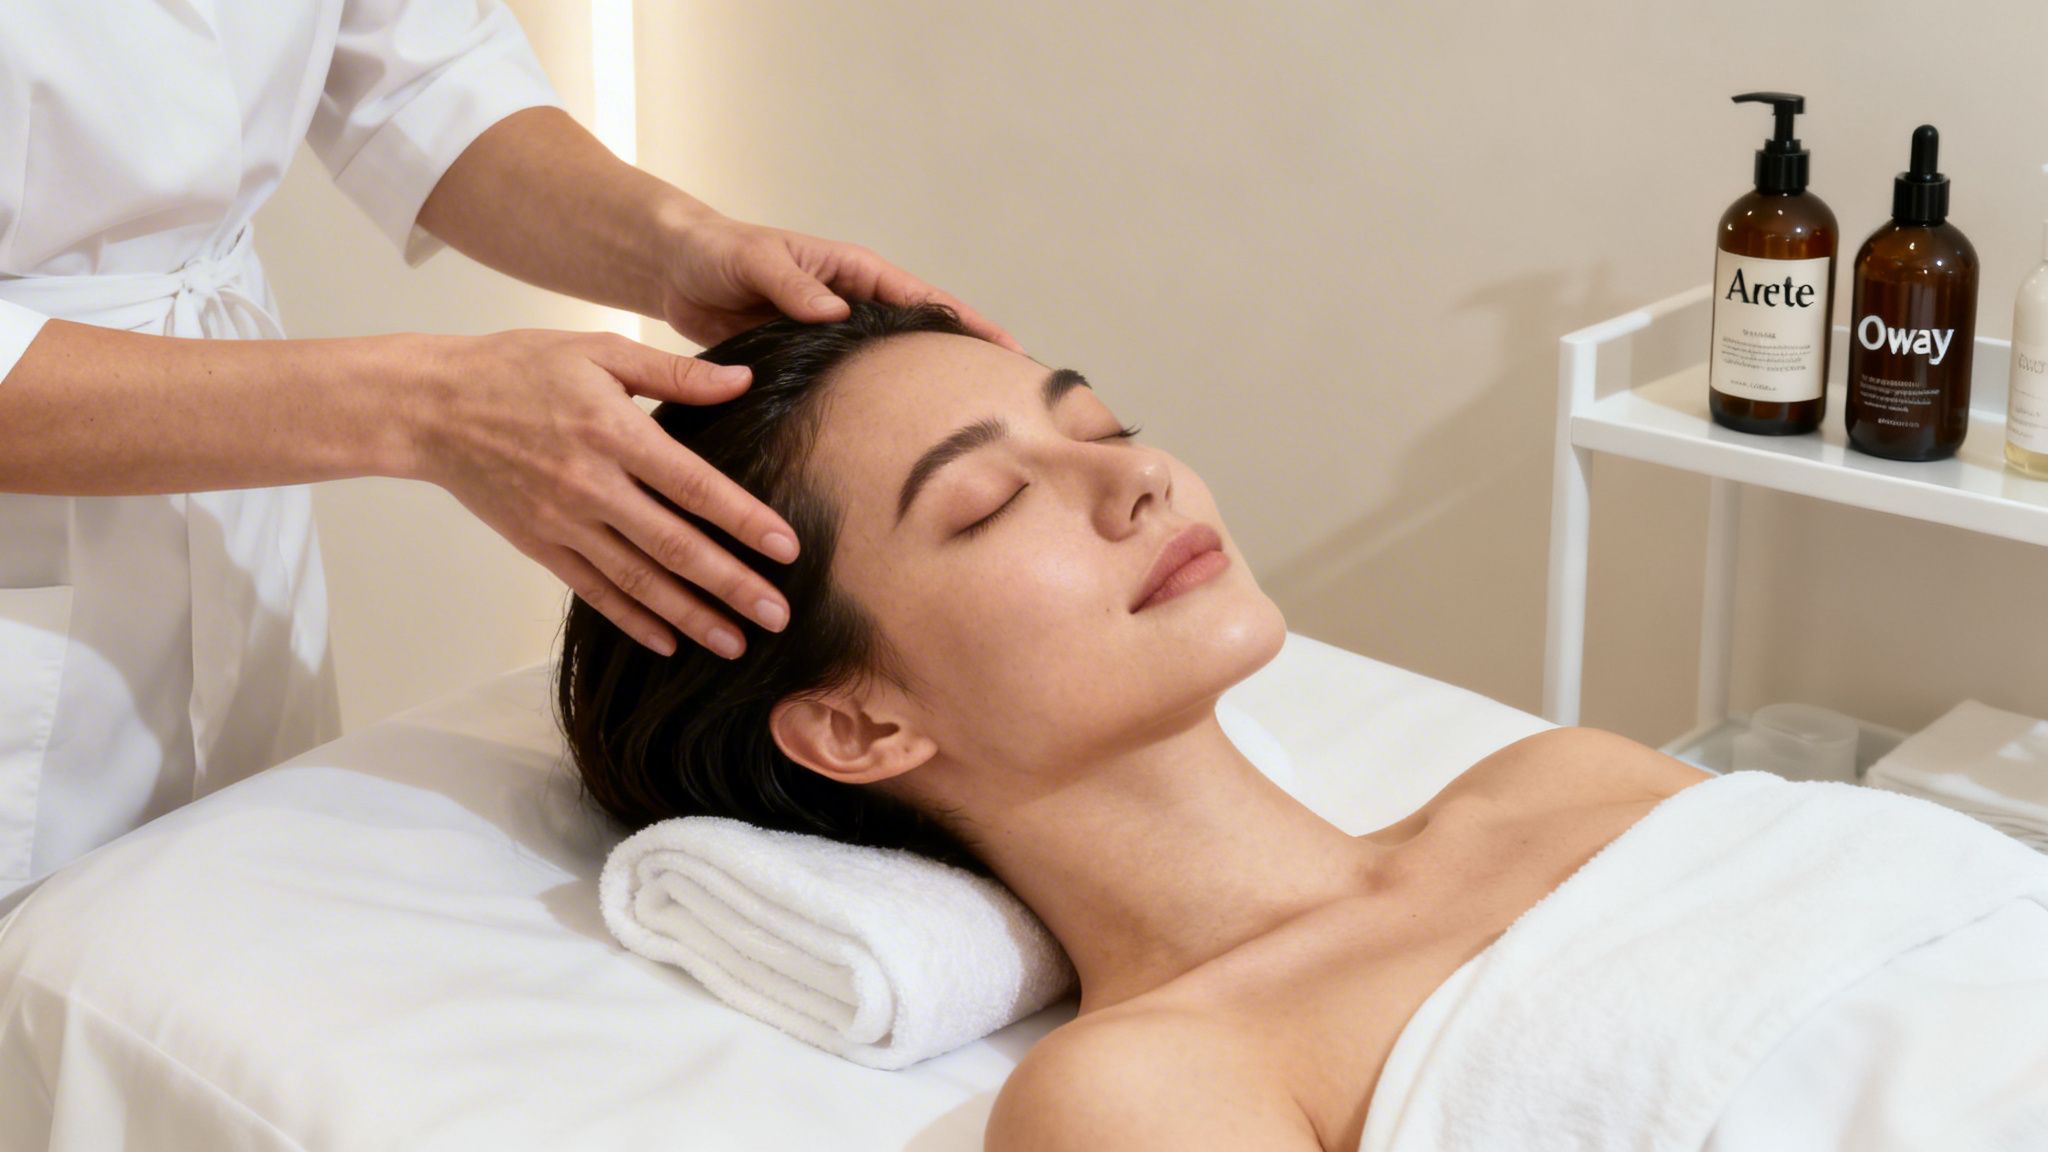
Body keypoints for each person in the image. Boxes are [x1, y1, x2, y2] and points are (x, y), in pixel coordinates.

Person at [557, 303, 2048, 1150]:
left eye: (1099, 427)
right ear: (858, 727)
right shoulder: (1143, 1093)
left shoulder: (1562, 779)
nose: (1138, 484)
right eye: (991, 500)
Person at [0, 2, 1010, 911]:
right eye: (982, 504)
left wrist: (676, 243)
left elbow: (423, 76)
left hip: (221, 535)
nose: (1140, 489)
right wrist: (426, 408)